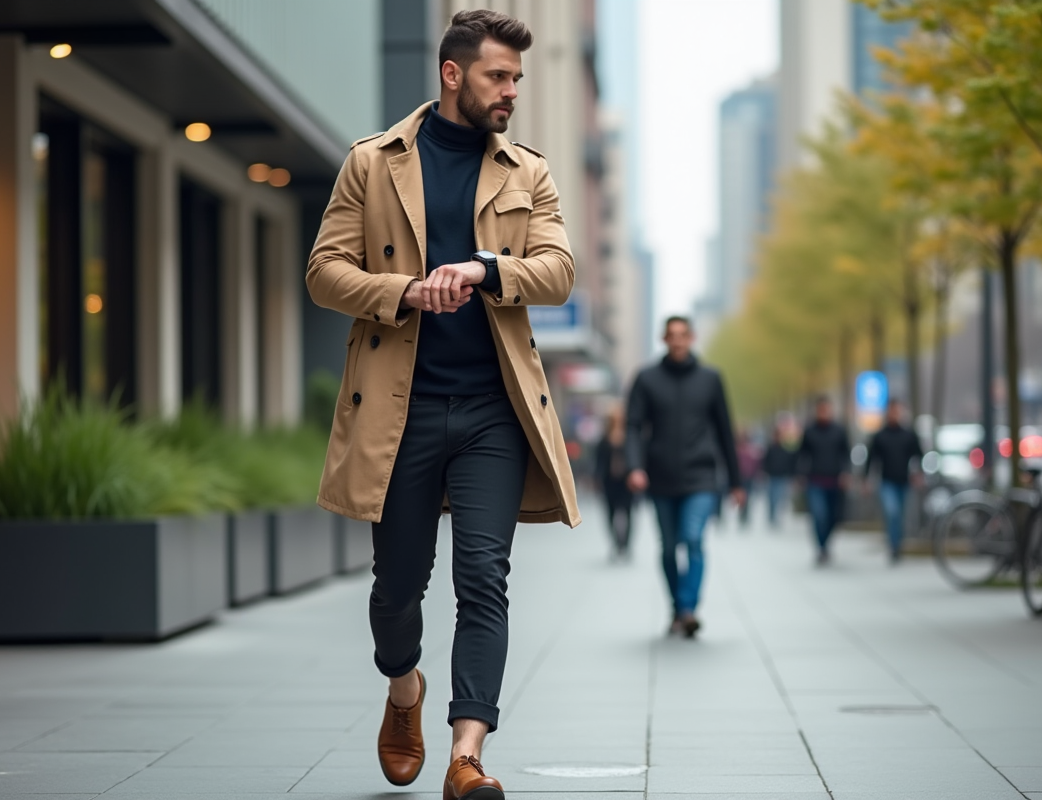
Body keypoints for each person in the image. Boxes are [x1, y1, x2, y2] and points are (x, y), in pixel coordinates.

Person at [306, 10, 579, 799]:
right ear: (453, 74)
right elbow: (325, 272)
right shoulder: (373, 162)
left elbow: (559, 270)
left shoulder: (528, 170)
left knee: (483, 578)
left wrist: (491, 268)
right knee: (396, 588)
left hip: (495, 410)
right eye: (499, 76)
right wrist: (404, 291)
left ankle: (467, 756)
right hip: (401, 409)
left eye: (518, 79)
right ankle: (404, 691)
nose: (511, 93)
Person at [625, 316, 745, 638]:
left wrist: (736, 482)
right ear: (663, 339)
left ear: (692, 339)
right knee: (667, 548)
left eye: (683, 335)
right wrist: (635, 466)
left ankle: (689, 608)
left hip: (701, 476)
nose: (677, 341)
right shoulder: (647, 379)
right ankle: (677, 608)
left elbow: (724, 432)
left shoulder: (710, 379)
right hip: (660, 477)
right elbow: (633, 426)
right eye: (671, 335)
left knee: (692, 538)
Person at [863, 399, 924, 563]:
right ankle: (893, 545)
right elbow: (871, 459)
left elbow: (919, 455)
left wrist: (918, 473)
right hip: (886, 482)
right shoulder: (880, 436)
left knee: (902, 516)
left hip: (904, 481)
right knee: (892, 512)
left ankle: (898, 545)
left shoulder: (909, 435)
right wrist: (867, 480)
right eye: (892, 411)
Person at [796, 396, 851, 564]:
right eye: (821, 409)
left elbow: (845, 454)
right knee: (819, 515)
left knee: (833, 517)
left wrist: (846, 473)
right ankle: (820, 547)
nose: (824, 413)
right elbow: (802, 454)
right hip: (815, 480)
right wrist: (800, 474)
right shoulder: (810, 431)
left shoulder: (839, 431)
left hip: (835, 480)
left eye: (826, 409)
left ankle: (826, 544)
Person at [594, 406, 635, 559]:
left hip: (626, 483)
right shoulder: (604, 440)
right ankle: (616, 543)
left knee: (628, 514)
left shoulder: (629, 438)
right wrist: (597, 478)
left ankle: (625, 544)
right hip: (609, 482)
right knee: (610, 514)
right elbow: (599, 461)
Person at [762, 423, 796, 529]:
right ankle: (771, 516)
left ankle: (776, 516)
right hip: (772, 476)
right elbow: (765, 462)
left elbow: (790, 462)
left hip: (782, 476)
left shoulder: (785, 449)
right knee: (772, 497)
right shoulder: (770, 449)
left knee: (780, 497)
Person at [736, 430, 761, 529]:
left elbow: (756, 464)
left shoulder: (752, 450)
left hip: (749, 477)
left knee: (748, 497)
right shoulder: (738, 450)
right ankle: (742, 515)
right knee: (742, 497)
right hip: (741, 477)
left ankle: (745, 516)